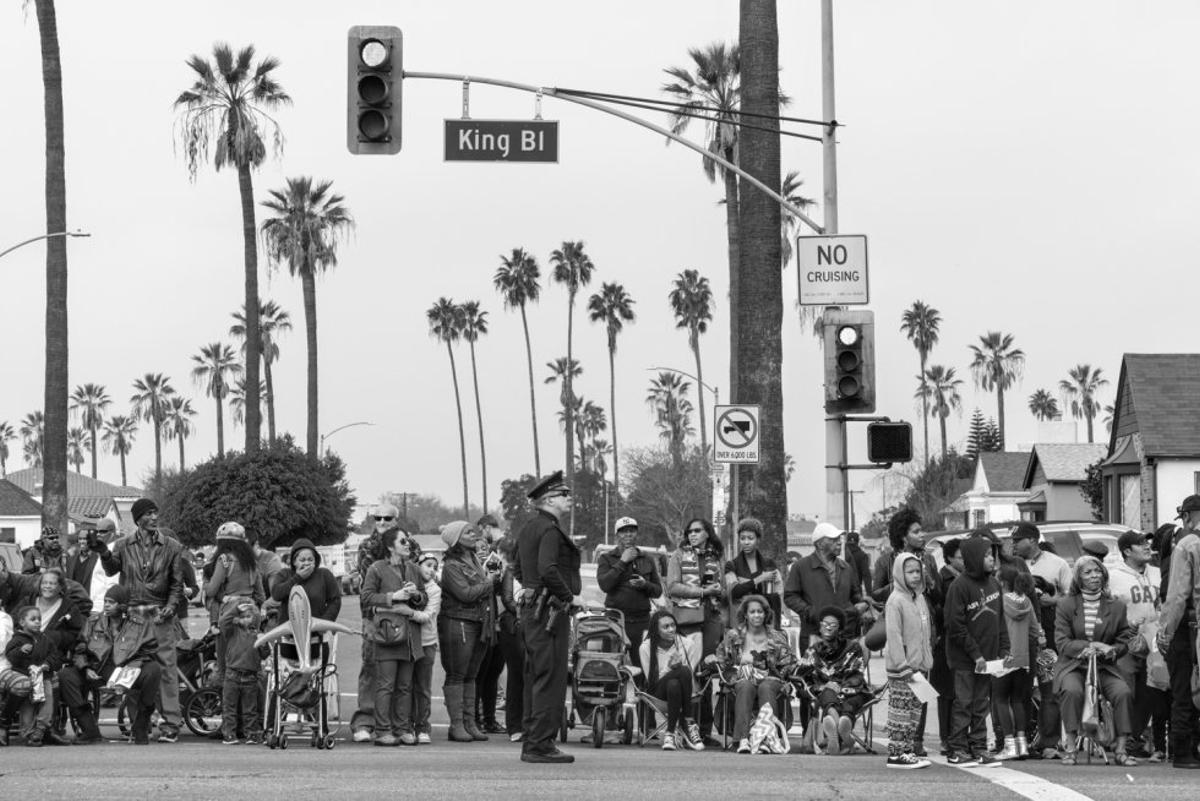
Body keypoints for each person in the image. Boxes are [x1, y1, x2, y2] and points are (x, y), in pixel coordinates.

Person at [92, 497, 187, 743]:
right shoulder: (123, 545)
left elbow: (177, 584)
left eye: (156, 513)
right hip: (132, 617)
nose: (154, 517)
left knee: (166, 669)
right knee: (132, 670)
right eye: (149, 514)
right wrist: (103, 552)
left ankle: (170, 724)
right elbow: (113, 570)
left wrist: (171, 606)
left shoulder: (172, 547)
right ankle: (138, 724)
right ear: (138, 519)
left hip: (159, 615)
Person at [513, 470, 581, 764]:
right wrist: (568, 597)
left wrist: (533, 590)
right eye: (564, 494)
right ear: (549, 499)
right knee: (550, 679)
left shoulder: (530, 528)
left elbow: (517, 568)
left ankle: (534, 740)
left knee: (535, 677)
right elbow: (548, 569)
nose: (569, 499)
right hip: (549, 613)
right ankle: (540, 745)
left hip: (533, 611)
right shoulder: (550, 530)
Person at [1054, 555, 1137, 765]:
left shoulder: (1117, 606)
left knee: (1123, 692)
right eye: (1088, 572)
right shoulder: (1065, 605)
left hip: (1104, 667)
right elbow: (1062, 642)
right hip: (1074, 665)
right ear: (1078, 578)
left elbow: (1124, 640)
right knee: (1072, 691)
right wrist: (1089, 647)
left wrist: (1111, 650)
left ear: (1104, 574)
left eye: (1098, 571)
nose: (1094, 576)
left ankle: (1120, 749)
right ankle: (1071, 747)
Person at [59, 585, 161, 745]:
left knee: (154, 669)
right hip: (97, 671)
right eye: (105, 601)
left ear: (122, 605)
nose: (106, 605)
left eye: (111, 602)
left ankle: (140, 725)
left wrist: (133, 668)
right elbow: (79, 649)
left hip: (128, 671)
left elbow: (149, 650)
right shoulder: (93, 622)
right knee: (66, 675)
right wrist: (85, 668)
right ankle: (89, 730)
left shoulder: (140, 624)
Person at [943, 534, 1007, 767]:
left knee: (981, 704)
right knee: (964, 703)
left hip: (988, 659)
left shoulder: (994, 583)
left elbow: (1000, 619)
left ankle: (978, 747)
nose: (992, 559)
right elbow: (955, 626)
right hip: (965, 659)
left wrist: (1004, 649)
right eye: (987, 555)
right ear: (974, 557)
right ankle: (957, 749)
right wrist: (976, 655)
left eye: (992, 555)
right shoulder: (959, 587)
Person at [1010, 521, 1071, 760]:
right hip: (1016, 636)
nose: (1013, 545)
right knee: (1020, 690)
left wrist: (1050, 601)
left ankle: (1049, 743)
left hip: (1049, 634)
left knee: (1049, 690)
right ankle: (1020, 740)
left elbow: (1070, 596)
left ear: (1033, 540)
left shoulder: (1058, 564)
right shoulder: (1012, 565)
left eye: (1017, 541)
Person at [361, 527, 426, 746]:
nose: (408, 544)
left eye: (407, 541)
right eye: (403, 541)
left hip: (410, 636)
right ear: (390, 546)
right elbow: (367, 597)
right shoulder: (376, 568)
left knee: (405, 686)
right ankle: (383, 730)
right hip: (387, 634)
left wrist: (416, 595)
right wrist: (393, 597)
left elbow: (424, 598)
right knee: (386, 685)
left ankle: (402, 728)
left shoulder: (414, 569)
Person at [666, 517, 726, 748]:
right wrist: (702, 591)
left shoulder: (716, 556)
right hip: (686, 620)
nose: (692, 534)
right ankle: (684, 726)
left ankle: (704, 729)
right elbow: (672, 587)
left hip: (711, 618)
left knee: (707, 672)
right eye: (689, 531)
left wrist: (718, 590)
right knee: (688, 673)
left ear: (707, 533)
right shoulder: (678, 555)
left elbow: (723, 590)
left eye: (698, 531)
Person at [1109, 529, 1167, 762]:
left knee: (1150, 693)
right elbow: (1109, 609)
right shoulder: (1114, 576)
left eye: (1147, 542)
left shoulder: (1158, 573)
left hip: (1155, 643)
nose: (1146, 546)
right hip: (1126, 643)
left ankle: (1135, 738)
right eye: (1140, 543)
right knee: (1126, 692)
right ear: (1126, 551)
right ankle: (1122, 739)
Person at [439, 520, 499, 743]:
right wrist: (489, 583)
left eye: (473, 531)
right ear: (456, 539)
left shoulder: (473, 558)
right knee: (457, 673)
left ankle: (470, 722)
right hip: (458, 622)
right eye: (468, 532)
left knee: (472, 674)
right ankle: (456, 725)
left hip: (477, 622)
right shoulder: (451, 566)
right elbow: (464, 594)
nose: (474, 534)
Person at [713, 594, 796, 754]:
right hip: (741, 681)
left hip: (771, 681)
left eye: (760, 611)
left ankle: (767, 738)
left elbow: (788, 663)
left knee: (766, 686)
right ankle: (742, 739)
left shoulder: (777, 637)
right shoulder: (733, 636)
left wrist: (786, 671)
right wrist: (714, 660)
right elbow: (722, 661)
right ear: (745, 614)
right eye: (752, 612)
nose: (757, 615)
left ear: (766, 614)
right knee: (745, 685)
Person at [1155, 494, 1200, 769]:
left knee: (1184, 689)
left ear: (1186, 517)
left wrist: (1165, 632)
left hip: (1190, 627)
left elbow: (1177, 596)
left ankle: (1184, 751)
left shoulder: (1187, 544)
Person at [350, 504, 400, 742]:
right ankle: (364, 721)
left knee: (400, 671)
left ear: (396, 519)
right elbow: (368, 586)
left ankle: (396, 722)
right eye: (377, 517)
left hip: (403, 616)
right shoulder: (367, 547)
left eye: (387, 517)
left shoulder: (408, 543)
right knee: (371, 668)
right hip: (373, 616)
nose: (381, 521)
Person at [798, 605, 871, 756]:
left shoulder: (853, 648)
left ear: (840, 628)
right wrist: (825, 685)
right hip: (824, 692)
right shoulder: (812, 650)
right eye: (825, 624)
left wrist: (841, 685)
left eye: (833, 625)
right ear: (819, 626)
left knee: (848, 702)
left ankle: (839, 732)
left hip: (851, 691)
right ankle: (845, 736)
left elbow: (857, 673)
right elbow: (802, 676)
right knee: (827, 692)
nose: (828, 628)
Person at [884, 553, 934, 769]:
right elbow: (894, 636)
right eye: (910, 572)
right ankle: (896, 753)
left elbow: (925, 632)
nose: (915, 576)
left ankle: (907, 750)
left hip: (920, 666)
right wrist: (903, 665)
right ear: (899, 573)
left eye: (918, 571)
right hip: (902, 668)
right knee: (901, 711)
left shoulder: (920, 597)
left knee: (914, 713)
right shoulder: (895, 601)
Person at [784, 522, 871, 645]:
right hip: (814, 635)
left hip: (844, 636)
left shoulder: (846, 568)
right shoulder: (801, 567)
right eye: (834, 539)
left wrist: (861, 605)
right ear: (819, 544)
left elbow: (855, 594)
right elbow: (790, 596)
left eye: (839, 539)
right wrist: (811, 612)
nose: (840, 542)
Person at [597, 516, 663, 672]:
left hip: (642, 622)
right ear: (617, 535)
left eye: (631, 531)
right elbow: (605, 585)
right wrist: (622, 561)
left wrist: (644, 584)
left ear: (636, 534)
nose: (628, 535)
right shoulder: (606, 558)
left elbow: (658, 590)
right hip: (615, 622)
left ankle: (642, 696)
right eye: (623, 532)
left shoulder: (647, 559)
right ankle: (611, 695)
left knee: (644, 669)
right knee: (611, 668)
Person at [993, 566, 1044, 760]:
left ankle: (1008, 744)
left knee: (1000, 699)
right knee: (1018, 700)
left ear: (1003, 582)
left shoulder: (1000, 601)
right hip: (1023, 658)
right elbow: (1034, 631)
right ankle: (1022, 744)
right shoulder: (1027, 601)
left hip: (1003, 656)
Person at [203, 522, 264, 683]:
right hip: (251, 612)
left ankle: (228, 702)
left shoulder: (224, 560)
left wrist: (206, 582)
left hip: (229, 613)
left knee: (225, 663)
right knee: (249, 661)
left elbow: (211, 591)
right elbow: (261, 595)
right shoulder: (252, 562)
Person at [639, 609, 701, 752]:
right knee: (682, 670)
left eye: (673, 625)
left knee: (676, 682)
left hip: (683, 692)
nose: (671, 629)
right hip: (658, 693)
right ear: (656, 629)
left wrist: (676, 670)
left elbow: (688, 677)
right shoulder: (646, 647)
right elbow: (651, 680)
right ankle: (688, 721)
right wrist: (669, 668)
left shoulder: (688, 644)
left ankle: (670, 733)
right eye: (665, 627)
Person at [4, 605, 64, 746]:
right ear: (22, 622)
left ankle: (40, 729)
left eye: (39, 619)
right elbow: (10, 656)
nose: (37, 622)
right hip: (27, 676)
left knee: (47, 701)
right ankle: (28, 732)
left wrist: (47, 664)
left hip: (44, 676)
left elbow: (55, 656)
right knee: (28, 705)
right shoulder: (17, 639)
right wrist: (20, 651)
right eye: (33, 619)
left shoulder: (45, 639)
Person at [473, 522, 506, 734]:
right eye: (477, 546)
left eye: (485, 545)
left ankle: (490, 718)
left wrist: (501, 577)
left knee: (494, 673)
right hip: (480, 625)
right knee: (478, 674)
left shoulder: (498, 564)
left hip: (499, 624)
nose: (482, 549)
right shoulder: (469, 568)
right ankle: (474, 719)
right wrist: (487, 579)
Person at [932, 537, 963, 756]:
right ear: (950, 558)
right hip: (945, 641)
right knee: (946, 693)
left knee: (961, 692)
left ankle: (959, 735)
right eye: (960, 557)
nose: (965, 561)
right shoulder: (943, 580)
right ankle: (946, 737)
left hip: (962, 643)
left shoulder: (967, 579)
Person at [220, 600, 265, 745]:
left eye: (249, 616)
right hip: (232, 674)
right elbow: (223, 621)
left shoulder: (257, 635)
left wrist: (263, 642)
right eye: (243, 616)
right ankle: (229, 733)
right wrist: (235, 609)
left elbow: (265, 653)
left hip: (250, 676)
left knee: (250, 709)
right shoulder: (232, 631)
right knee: (229, 708)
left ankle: (251, 733)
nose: (246, 619)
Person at [724, 517, 783, 628]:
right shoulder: (731, 566)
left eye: (750, 538)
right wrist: (759, 579)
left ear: (758, 540)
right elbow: (734, 592)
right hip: (740, 624)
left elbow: (777, 597)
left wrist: (777, 628)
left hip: (766, 624)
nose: (746, 542)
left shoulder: (770, 565)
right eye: (742, 538)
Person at [270, 538, 342, 624]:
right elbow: (276, 594)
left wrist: (325, 622)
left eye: (310, 560)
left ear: (315, 561)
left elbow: (335, 600)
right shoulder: (284, 574)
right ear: (294, 561)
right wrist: (298, 577)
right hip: (289, 633)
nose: (307, 563)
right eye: (302, 560)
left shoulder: (324, 574)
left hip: (316, 632)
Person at [496, 535, 525, 743]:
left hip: (533, 628)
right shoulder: (511, 571)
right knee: (516, 676)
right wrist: (522, 612)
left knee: (532, 677)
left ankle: (530, 722)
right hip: (514, 628)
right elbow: (507, 599)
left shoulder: (536, 571)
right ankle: (515, 725)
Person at [412, 553, 441, 745]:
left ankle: (422, 726)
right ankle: (404, 725)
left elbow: (427, 615)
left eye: (434, 567)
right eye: (427, 565)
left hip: (427, 642)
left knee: (423, 687)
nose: (431, 570)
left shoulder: (435, 590)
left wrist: (407, 613)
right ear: (418, 565)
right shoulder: (408, 584)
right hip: (407, 642)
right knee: (405, 686)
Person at [66, 519, 119, 616]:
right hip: (92, 605)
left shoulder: (114, 552)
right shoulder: (100, 551)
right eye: (97, 532)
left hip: (102, 608)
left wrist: (102, 608)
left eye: (103, 532)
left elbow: (112, 583)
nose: (98, 534)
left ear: (112, 533)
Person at [844, 531, 872, 597]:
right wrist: (869, 594)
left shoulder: (841, 553)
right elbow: (866, 575)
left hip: (842, 591)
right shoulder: (862, 555)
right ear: (858, 542)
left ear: (847, 540)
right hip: (856, 592)